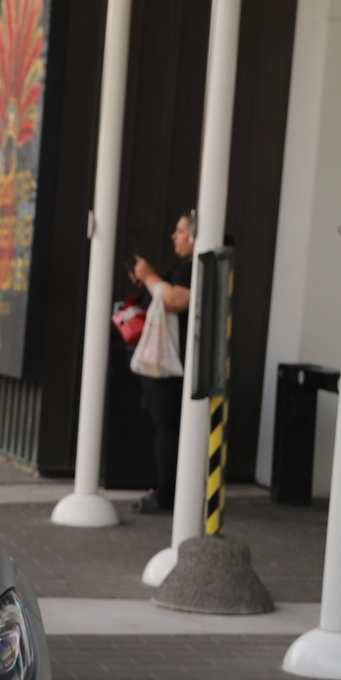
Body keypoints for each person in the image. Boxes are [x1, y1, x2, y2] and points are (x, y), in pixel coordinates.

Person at [128, 214, 196, 516]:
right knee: (164, 428)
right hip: (168, 365)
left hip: (172, 367)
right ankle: (164, 489)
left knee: (168, 429)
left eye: (180, 231)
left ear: (195, 236)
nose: (174, 236)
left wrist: (150, 275)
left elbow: (173, 299)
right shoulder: (182, 266)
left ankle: (167, 494)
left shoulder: (195, 267)